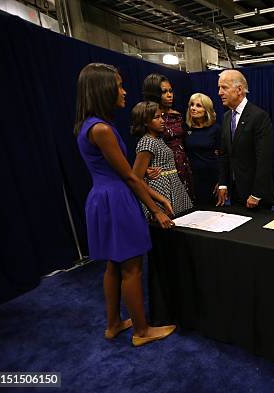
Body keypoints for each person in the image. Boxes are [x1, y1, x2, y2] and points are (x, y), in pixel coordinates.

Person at [74, 63, 176, 347]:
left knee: (113, 265)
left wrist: (157, 196)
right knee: (132, 269)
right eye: (119, 85)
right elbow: (131, 177)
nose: (124, 91)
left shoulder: (86, 126)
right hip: (117, 201)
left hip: (99, 198)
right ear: (103, 89)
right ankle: (142, 332)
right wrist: (155, 209)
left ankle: (113, 324)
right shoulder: (103, 129)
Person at [216, 69, 274, 208]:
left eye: (224, 87)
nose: (219, 93)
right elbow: (224, 154)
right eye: (219, 88)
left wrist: (256, 194)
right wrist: (223, 184)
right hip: (235, 193)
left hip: (256, 196)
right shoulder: (226, 117)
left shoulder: (259, 116)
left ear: (239, 90)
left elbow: (264, 158)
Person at [131, 101, 193, 217]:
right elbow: (136, 179)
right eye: (157, 118)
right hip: (160, 190)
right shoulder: (147, 141)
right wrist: (162, 199)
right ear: (145, 122)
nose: (162, 121)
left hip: (172, 187)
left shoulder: (158, 139)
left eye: (162, 117)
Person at [142, 73, 194, 200]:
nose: (169, 95)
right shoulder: (149, 118)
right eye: (164, 92)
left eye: (170, 91)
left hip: (183, 164)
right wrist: (145, 170)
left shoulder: (177, 115)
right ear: (154, 94)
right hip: (164, 169)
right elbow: (144, 146)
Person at [184, 93, 221, 206]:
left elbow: (223, 156)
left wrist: (222, 181)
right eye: (192, 105)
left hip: (212, 178)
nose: (193, 108)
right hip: (191, 178)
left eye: (198, 105)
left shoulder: (215, 129)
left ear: (206, 110)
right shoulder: (185, 128)